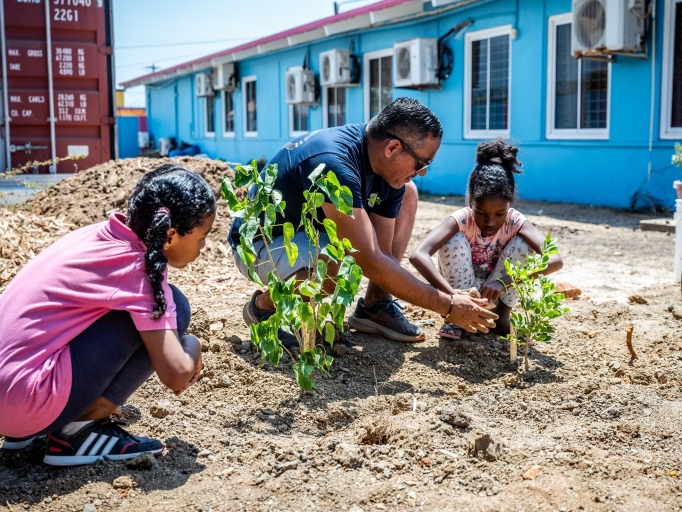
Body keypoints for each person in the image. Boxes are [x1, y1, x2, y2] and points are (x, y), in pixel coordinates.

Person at [229, 97, 498, 344]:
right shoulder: (333, 163)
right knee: (344, 260)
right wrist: (448, 306)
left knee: (407, 194)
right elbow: (367, 259)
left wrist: (450, 296)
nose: (423, 172)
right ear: (392, 147)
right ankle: (263, 306)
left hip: (308, 234)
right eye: (421, 162)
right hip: (261, 243)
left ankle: (374, 306)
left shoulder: (382, 161)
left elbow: (381, 255)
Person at [0, 164, 216, 466]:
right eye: (203, 236)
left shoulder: (99, 235)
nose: (204, 246)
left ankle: (34, 429)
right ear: (169, 236)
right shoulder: (137, 269)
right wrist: (191, 345)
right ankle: (79, 431)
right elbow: (176, 373)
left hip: (10, 394)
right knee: (175, 307)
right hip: (24, 404)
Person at [410, 139, 563, 339]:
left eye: (499, 214)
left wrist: (505, 282)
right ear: (471, 201)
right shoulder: (462, 219)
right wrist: (453, 297)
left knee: (524, 244)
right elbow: (418, 255)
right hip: (464, 292)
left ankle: (500, 319)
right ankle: (456, 319)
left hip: (496, 291)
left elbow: (555, 260)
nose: (490, 222)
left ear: (509, 206)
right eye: (481, 213)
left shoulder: (515, 221)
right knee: (452, 240)